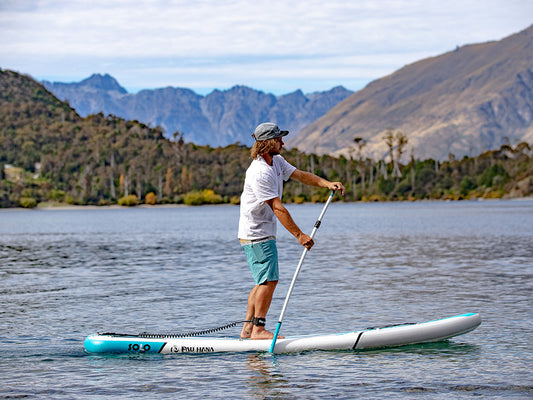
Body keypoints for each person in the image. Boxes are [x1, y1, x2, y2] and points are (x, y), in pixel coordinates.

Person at [238, 122, 345, 340]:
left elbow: (301, 175)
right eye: (278, 139)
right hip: (256, 233)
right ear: (268, 144)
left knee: (262, 280)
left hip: (260, 232)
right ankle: (258, 329)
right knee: (269, 281)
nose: (283, 142)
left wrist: (326, 184)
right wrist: (300, 235)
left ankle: (248, 329)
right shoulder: (259, 172)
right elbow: (277, 208)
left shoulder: (276, 161)